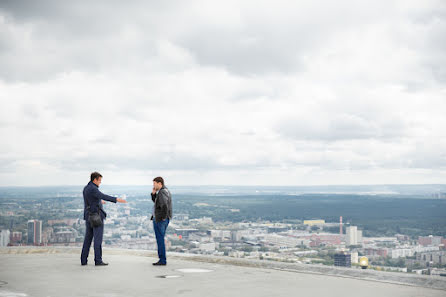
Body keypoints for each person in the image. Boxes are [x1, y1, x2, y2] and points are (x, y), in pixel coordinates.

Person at [80, 172, 127, 266]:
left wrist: (99, 202)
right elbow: (103, 195)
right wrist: (117, 199)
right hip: (96, 217)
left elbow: (91, 199)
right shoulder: (93, 188)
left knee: (88, 239)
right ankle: (98, 260)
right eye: (99, 181)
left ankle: (83, 260)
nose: (100, 183)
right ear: (95, 180)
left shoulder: (86, 188)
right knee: (98, 239)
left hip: (88, 216)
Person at [151, 176, 172, 266]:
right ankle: (162, 259)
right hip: (161, 218)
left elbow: (164, 205)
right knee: (160, 239)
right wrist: (153, 194)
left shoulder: (162, 192)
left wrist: (163, 217)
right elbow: (157, 203)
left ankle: (162, 260)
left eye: (154, 184)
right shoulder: (164, 191)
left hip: (160, 219)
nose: (153, 185)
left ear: (160, 183)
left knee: (160, 239)